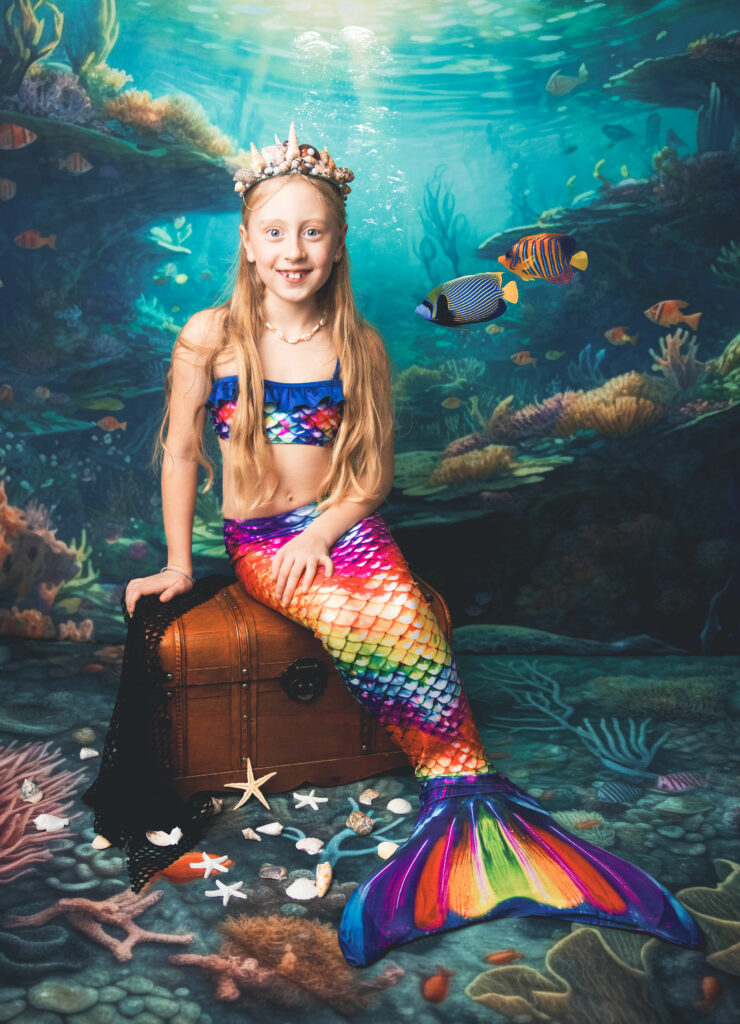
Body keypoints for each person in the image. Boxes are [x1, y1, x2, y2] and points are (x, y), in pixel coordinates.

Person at [115, 123, 701, 967]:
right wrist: (178, 563)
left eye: (313, 232)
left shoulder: (358, 344)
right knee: (353, 624)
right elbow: (179, 452)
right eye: (275, 232)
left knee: (409, 630)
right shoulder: (210, 337)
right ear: (247, 243)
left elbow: (370, 479)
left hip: (340, 524)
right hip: (261, 542)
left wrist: (323, 529)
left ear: (339, 242)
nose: (294, 250)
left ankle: (468, 796)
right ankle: (462, 831)